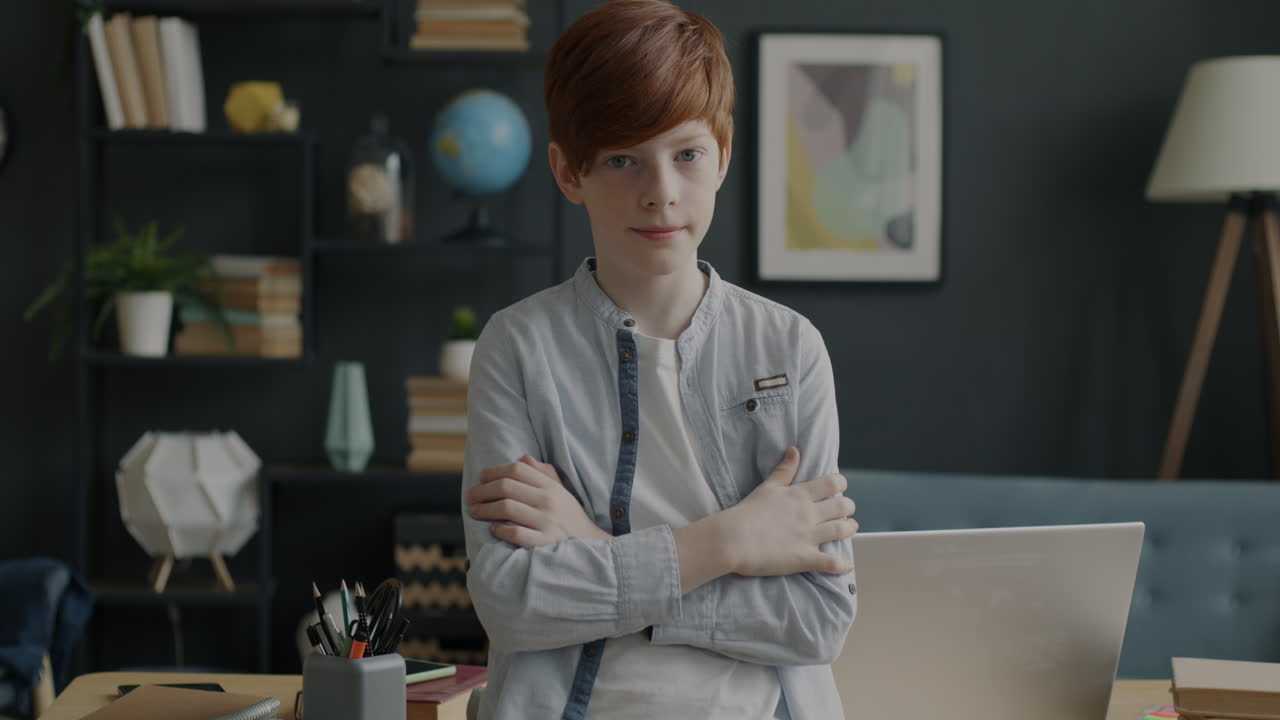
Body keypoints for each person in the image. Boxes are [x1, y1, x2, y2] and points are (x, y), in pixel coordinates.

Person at [460, 1, 858, 718]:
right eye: (621, 159)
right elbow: (513, 600)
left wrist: (591, 548)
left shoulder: (789, 347)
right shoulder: (517, 347)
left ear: (724, 154)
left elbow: (820, 618)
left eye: (686, 154)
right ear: (567, 171)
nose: (661, 191)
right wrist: (730, 540)